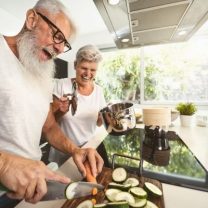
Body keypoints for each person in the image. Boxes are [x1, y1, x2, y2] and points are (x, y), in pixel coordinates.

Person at [0, 0, 103, 206]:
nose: (58, 48)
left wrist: (76, 150)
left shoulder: (42, 74)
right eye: (57, 36)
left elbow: (49, 127)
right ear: (32, 19)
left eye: (64, 43)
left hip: (33, 185)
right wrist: (3, 166)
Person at [49, 44, 106, 165]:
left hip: (88, 148)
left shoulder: (99, 91)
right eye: (84, 68)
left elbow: (98, 123)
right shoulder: (61, 85)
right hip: (64, 150)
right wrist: (61, 111)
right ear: (75, 65)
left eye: (93, 70)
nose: (88, 73)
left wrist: (103, 118)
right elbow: (49, 123)